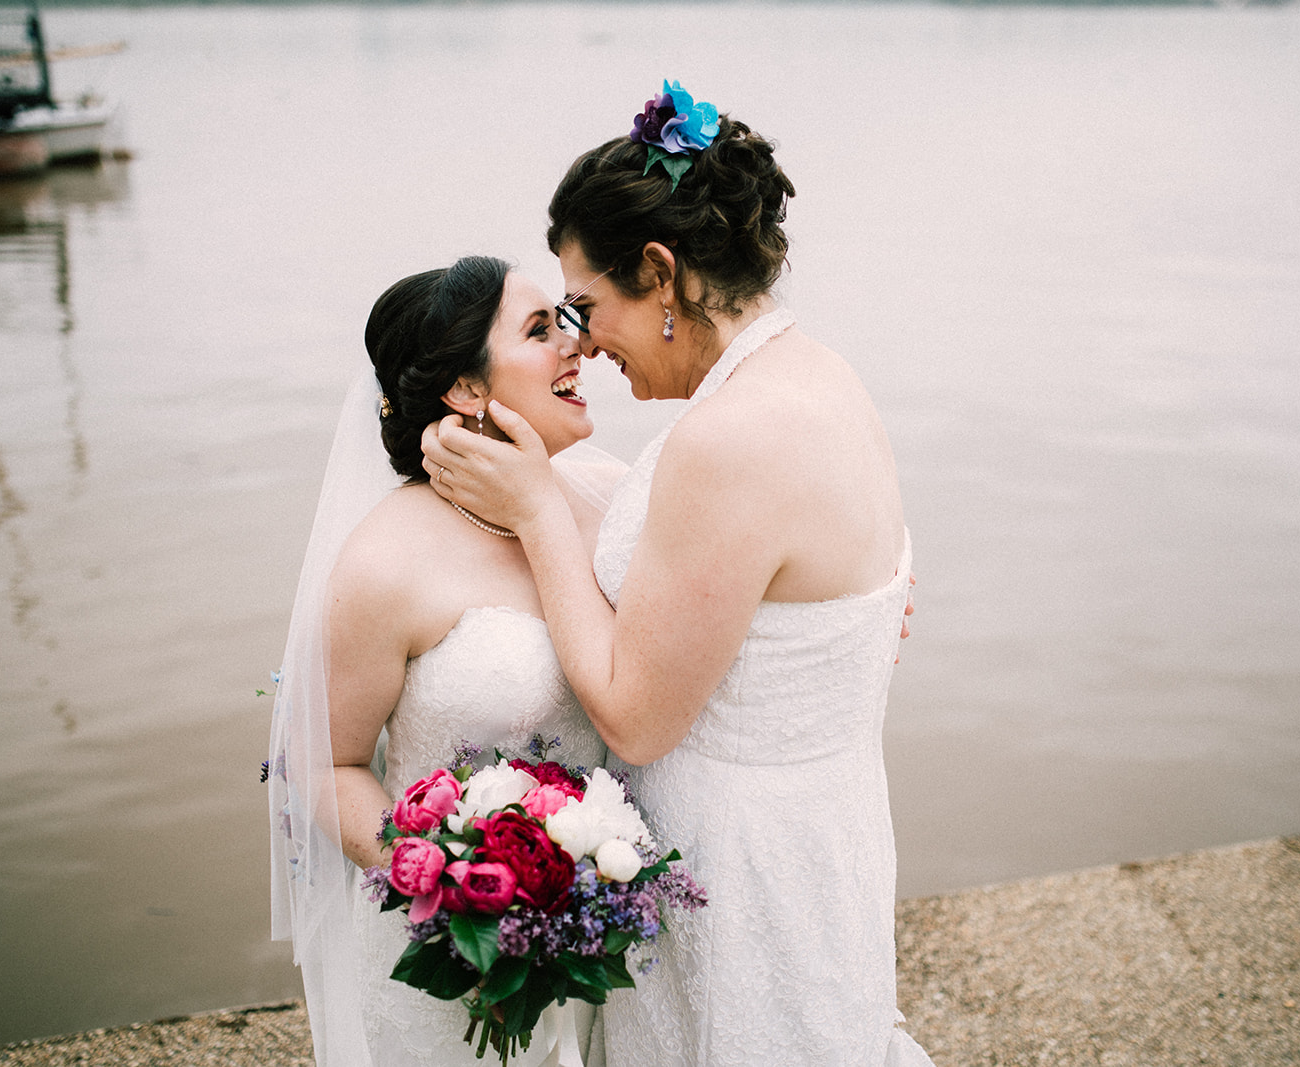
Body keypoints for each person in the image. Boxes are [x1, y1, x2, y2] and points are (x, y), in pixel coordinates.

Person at [421, 82, 931, 1066]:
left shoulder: (727, 437)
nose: (578, 339)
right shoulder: (819, 374)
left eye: (586, 304)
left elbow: (637, 716)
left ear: (658, 272)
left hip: (738, 878)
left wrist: (534, 512)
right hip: (821, 830)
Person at [266, 255, 624, 1067]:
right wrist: (453, 883)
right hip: (452, 964)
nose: (577, 345)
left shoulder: (614, 496)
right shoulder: (385, 563)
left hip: (609, 933)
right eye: (540, 330)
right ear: (465, 388)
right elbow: (328, 764)